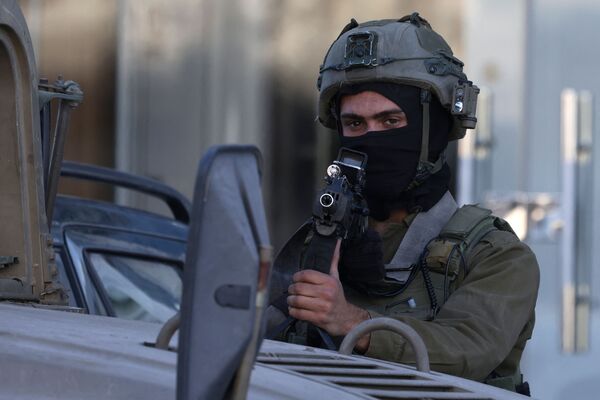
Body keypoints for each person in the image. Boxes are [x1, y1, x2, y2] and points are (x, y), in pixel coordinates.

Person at [269, 13, 539, 395]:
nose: (371, 138)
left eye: (391, 120)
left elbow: (466, 352)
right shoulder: (325, 242)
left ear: (436, 131)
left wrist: (352, 322)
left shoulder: (496, 256)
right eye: (356, 124)